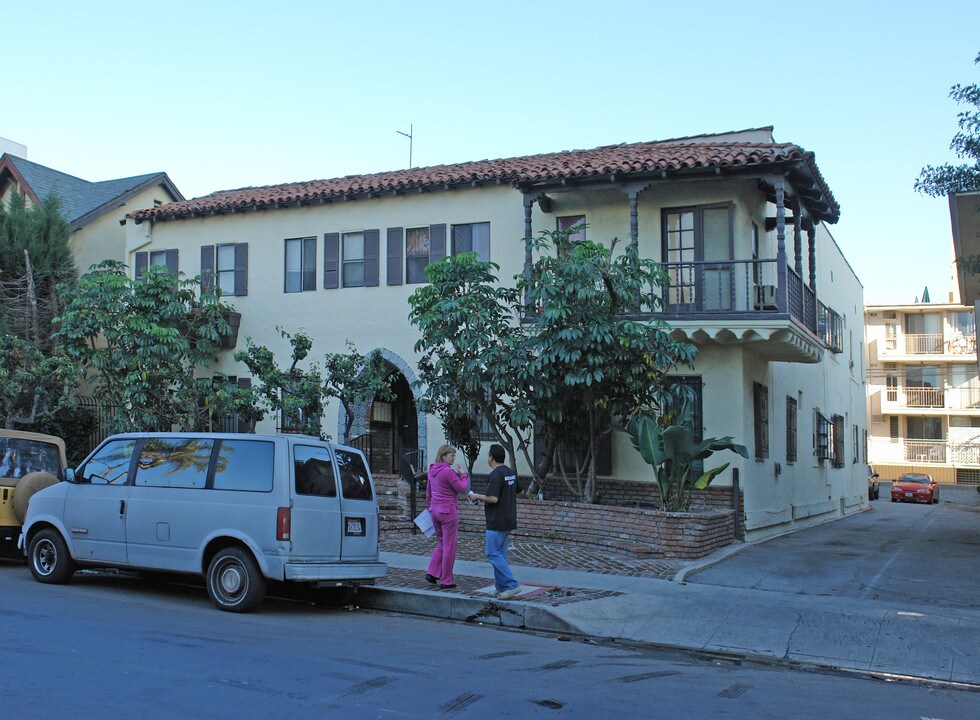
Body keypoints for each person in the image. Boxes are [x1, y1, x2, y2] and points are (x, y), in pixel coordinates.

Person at [467, 443, 521, 600]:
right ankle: (500, 587)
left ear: (491, 457)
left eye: (488, 455)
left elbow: (493, 498)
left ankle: (512, 585)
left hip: (496, 520)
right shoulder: (510, 472)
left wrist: (476, 496)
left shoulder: (496, 475)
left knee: (491, 553)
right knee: (501, 555)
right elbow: (521, 491)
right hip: (508, 519)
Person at [425, 444, 469, 589]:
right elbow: (462, 488)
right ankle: (447, 580)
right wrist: (463, 475)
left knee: (441, 543)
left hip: (435, 510)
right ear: (443, 456)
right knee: (449, 546)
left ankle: (432, 572)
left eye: (454, 455)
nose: (453, 458)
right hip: (448, 511)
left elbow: (428, 493)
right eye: (451, 455)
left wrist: (430, 507)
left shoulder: (431, 470)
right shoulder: (447, 472)